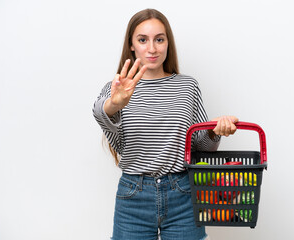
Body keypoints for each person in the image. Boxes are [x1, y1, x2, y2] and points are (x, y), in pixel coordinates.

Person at [93, 8, 238, 240]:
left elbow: (199, 150)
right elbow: (100, 114)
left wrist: (213, 132)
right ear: (131, 45)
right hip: (133, 197)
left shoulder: (187, 86)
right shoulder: (117, 88)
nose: (152, 48)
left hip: (182, 193)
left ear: (167, 43)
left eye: (159, 39)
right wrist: (114, 104)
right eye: (143, 40)